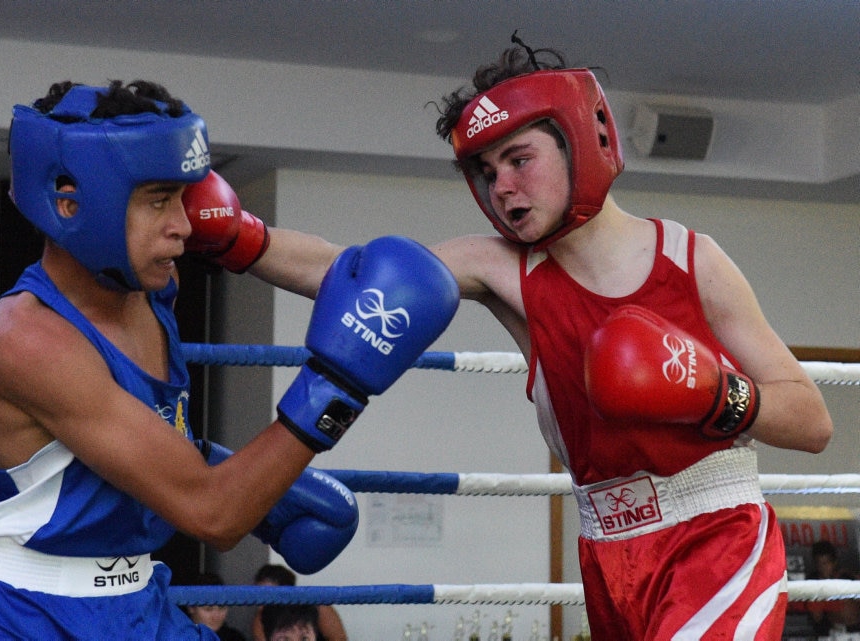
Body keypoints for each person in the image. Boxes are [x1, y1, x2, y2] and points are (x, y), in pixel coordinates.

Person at [186, 35, 834, 640]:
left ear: (582, 141)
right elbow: (360, 276)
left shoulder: (692, 260)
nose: (502, 187)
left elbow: (811, 422)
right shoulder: (504, 269)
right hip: (607, 553)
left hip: (713, 538)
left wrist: (714, 392)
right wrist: (238, 237)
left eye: (519, 159)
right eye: (487, 171)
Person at [0, 80, 459, 640]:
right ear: (71, 202)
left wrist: (243, 238)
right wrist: (337, 387)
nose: (183, 223)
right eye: (159, 200)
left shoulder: (153, 288)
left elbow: (344, 276)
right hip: (31, 615)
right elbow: (214, 516)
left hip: (138, 601)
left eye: (183, 196)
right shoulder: (30, 338)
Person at [251, 564, 347, 641]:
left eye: (268, 595)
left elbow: (339, 638)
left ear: (288, 592)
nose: (261, 602)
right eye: (258, 596)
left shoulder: (317, 606)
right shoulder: (261, 618)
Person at [806, 540, 860, 634]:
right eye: (819, 564)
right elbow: (816, 617)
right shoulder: (814, 585)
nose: (823, 568)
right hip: (836, 631)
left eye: (826, 563)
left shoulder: (848, 577)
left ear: (834, 562)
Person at [184, 573, 248, 641]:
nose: (216, 616)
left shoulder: (235, 638)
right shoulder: (178, 636)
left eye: (222, 608)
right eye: (208, 609)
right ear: (190, 607)